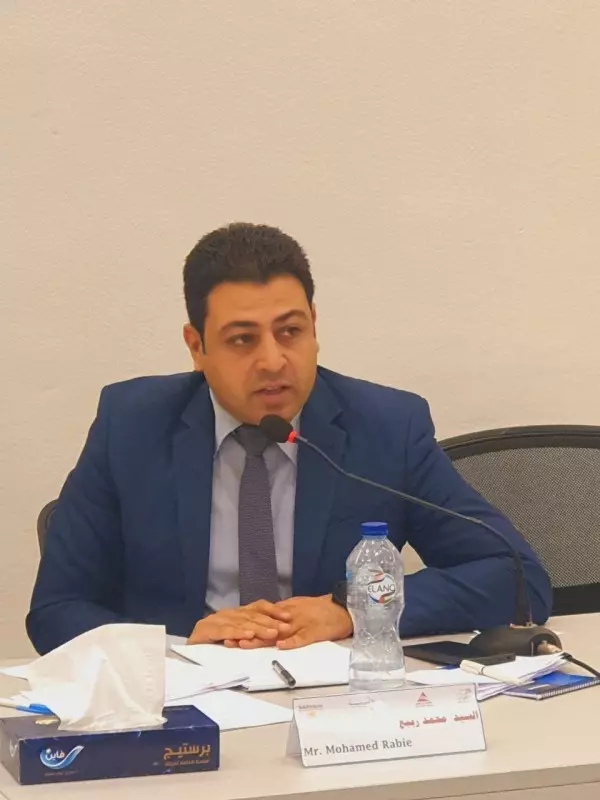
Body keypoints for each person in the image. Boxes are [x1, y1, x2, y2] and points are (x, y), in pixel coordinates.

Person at [27, 223, 552, 655]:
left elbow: (516, 577)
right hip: (185, 703)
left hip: (338, 704)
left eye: (290, 331)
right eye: (242, 339)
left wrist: (354, 607)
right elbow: (57, 610)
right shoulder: (131, 425)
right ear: (196, 346)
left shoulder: (387, 426)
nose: (273, 360)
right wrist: (178, 645)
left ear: (314, 326)